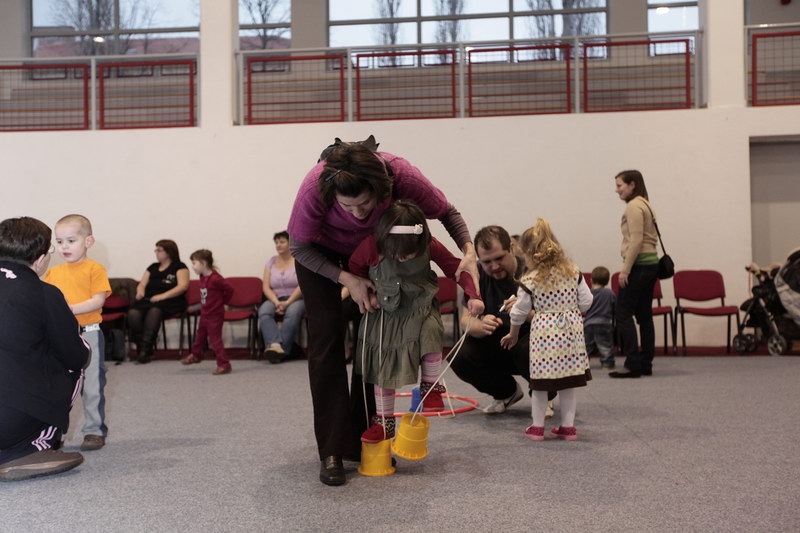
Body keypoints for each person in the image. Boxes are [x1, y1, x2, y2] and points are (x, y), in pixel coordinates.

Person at [287, 136, 478, 486]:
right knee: (326, 338)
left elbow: (447, 212)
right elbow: (298, 247)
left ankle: (363, 439)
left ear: (383, 188)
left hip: (376, 252)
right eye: (348, 207)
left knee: (373, 339)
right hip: (319, 257)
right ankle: (332, 449)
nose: (358, 213)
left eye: (365, 204)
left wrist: (468, 251)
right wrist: (348, 279)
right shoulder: (314, 188)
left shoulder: (402, 174)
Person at [349, 201, 483, 444]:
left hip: (421, 309)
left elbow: (457, 269)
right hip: (386, 316)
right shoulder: (370, 246)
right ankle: (384, 423)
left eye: (407, 254)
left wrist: (473, 295)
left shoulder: (430, 245)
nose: (400, 258)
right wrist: (366, 292)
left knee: (431, 333)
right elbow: (355, 270)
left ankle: (430, 389)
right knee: (383, 371)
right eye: (395, 254)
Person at [0, 217, 89, 481]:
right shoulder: (45, 293)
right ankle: (28, 449)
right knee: (76, 365)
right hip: (8, 424)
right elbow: (76, 356)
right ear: (40, 259)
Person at [500, 219, 593, 441]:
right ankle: (568, 429)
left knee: (540, 384)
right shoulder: (573, 271)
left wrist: (513, 334)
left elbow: (519, 312)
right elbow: (587, 302)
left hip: (544, 337)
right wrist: (568, 309)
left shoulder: (530, 279)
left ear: (530, 253)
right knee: (568, 384)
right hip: (571, 334)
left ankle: (537, 427)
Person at [449, 225, 556, 417]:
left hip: (532, 342)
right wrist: (481, 325)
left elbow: (555, 321)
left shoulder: (535, 272)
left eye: (499, 258)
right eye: (487, 262)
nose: (494, 266)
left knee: (529, 347)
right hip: (499, 342)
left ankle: (543, 396)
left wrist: (525, 312)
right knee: (459, 356)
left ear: (512, 248)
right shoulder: (477, 274)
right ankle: (506, 393)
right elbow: (465, 320)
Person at [44, 214, 112, 451]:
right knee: (60, 386)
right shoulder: (53, 273)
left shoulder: (95, 269)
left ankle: (94, 430)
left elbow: (97, 300)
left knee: (92, 385)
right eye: (59, 241)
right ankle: (56, 433)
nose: (64, 246)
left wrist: (68, 309)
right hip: (61, 337)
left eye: (71, 240)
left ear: (88, 241)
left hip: (89, 333)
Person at [609, 170, 659, 378]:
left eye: (620, 185)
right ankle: (646, 363)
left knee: (622, 313)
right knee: (645, 316)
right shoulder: (645, 203)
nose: (617, 190)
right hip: (651, 264)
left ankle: (633, 364)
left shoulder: (633, 206)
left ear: (632, 185)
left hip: (639, 266)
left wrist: (625, 270)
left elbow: (636, 240)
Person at [127, 239, 189, 364]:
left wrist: (163, 296)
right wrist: (140, 291)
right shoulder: (153, 267)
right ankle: (142, 347)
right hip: (150, 299)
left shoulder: (180, 267)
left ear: (168, 252)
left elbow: (183, 286)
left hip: (172, 300)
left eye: (159, 250)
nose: (156, 252)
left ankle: (145, 350)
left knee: (154, 310)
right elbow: (142, 284)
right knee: (133, 312)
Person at [181, 249, 234, 375]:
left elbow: (230, 289)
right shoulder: (202, 277)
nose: (192, 266)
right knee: (200, 336)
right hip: (205, 313)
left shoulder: (216, 278)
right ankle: (196, 355)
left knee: (215, 340)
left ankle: (224, 364)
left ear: (203, 263)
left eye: (194, 263)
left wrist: (223, 302)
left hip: (214, 314)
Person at [258, 231, 305, 364]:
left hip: (296, 298)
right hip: (275, 298)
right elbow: (266, 287)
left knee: (292, 313)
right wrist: (277, 302)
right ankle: (276, 345)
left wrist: (288, 302)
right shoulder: (271, 262)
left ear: (290, 243)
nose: (278, 245)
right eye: (277, 242)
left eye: (282, 242)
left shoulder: (299, 260)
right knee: (264, 311)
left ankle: (280, 350)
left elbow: (302, 285)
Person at [584, 266, 616, 370]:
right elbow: (615, 306)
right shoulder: (609, 293)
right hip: (604, 323)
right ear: (607, 281)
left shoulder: (588, 293)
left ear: (591, 280)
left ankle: (583, 364)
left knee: (586, 345)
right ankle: (607, 364)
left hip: (588, 324)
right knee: (605, 345)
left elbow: (583, 307)